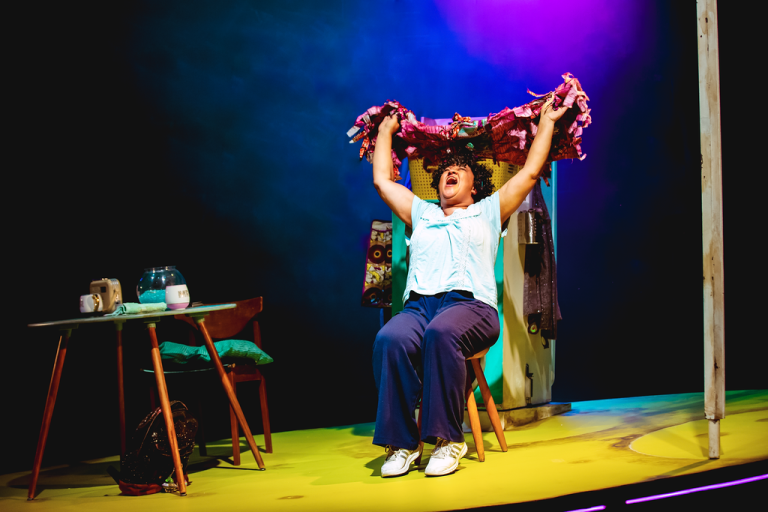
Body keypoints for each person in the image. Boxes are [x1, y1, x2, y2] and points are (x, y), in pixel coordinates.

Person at [371, 96, 576, 477]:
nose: (450, 171)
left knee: (441, 333)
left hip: (471, 309)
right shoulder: (422, 212)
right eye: (445, 169)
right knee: (389, 339)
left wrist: (546, 122)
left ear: (474, 184)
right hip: (419, 307)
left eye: (459, 169)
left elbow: (531, 172)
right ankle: (401, 444)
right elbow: (382, 180)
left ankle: (449, 439)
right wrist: (385, 129)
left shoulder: (488, 209)